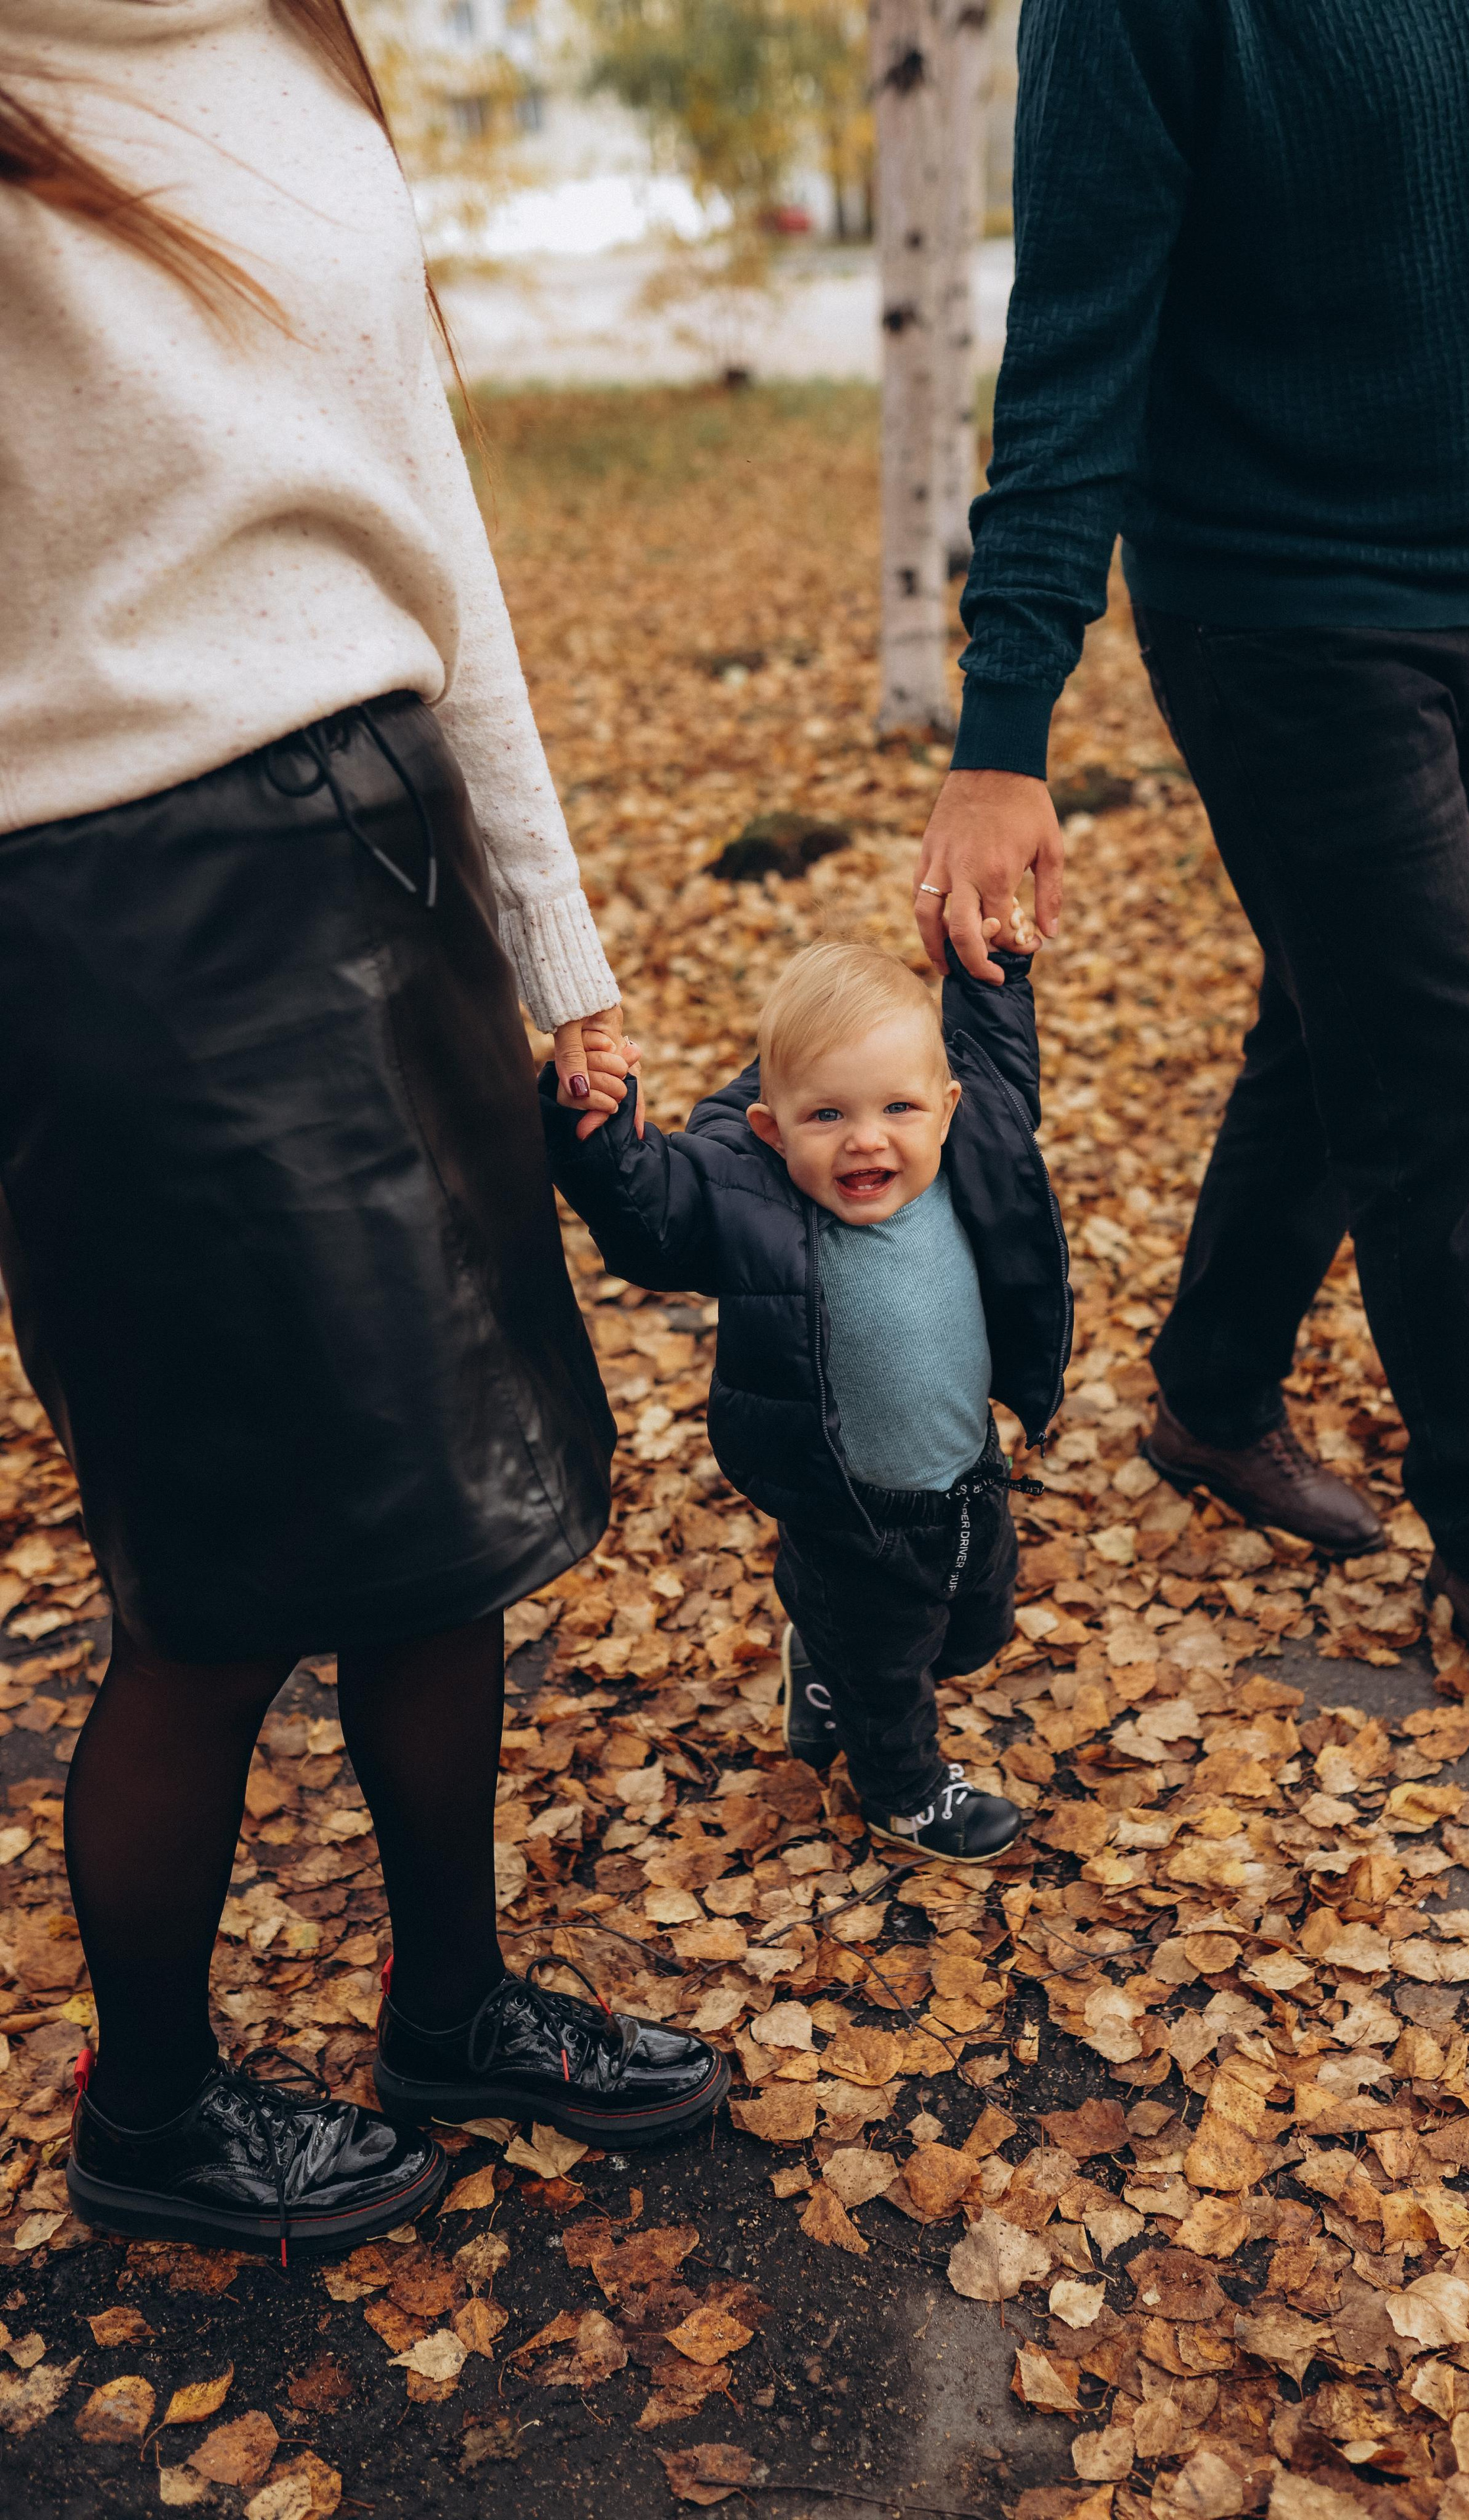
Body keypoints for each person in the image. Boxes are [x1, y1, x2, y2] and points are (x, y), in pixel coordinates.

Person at [1, 0, 725, 2259]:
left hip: (388, 853)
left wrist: (553, 930)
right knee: (219, 1573)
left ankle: (455, 2007)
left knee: (456, 1505)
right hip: (115, 915)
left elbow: (435, 521)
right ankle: (154, 2108)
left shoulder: (294, 45)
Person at [912, 0, 1469, 1718]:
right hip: (1272, 611)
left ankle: (1210, 1386)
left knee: (1341, 1021)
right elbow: (1075, 341)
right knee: (1440, 1066)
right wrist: (1003, 726)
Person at [543, 934, 1072, 1861]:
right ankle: (903, 1795)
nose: (866, 1139)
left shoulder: (969, 1147)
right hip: (850, 1511)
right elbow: (652, 1210)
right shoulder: (755, 1202)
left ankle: (820, 1649)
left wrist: (992, 964)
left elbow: (996, 1054)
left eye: (898, 1107)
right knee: (886, 1674)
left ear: (946, 1108)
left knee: (974, 1631)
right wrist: (597, 1127)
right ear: (772, 1129)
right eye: (827, 1115)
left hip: (968, 1474)